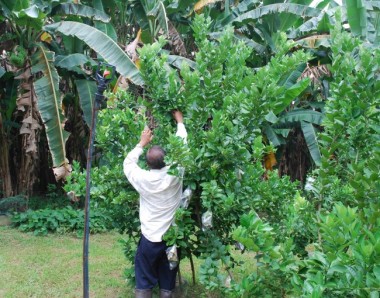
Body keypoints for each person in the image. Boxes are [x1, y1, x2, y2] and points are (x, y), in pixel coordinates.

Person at [123, 110, 187, 298]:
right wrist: (180, 121)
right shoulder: (176, 173)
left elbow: (128, 163)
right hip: (171, 239)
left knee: (144, 281)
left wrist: (142, 143)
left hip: (150, 239)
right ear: (167, 160)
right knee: (168, 282)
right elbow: (183, 146)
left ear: (148, 164)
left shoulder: (142, 178)